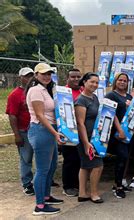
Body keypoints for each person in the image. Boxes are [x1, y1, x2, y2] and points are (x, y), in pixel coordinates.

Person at [26, 63, 65, 215]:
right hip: (42, 130)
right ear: (36, 75)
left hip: (50, 131)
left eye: (49, 73)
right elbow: (40, 116)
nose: (47, 76)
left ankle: (46, 196)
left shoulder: (47, 89)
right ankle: (40, 206)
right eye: (43, 74)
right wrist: (55, 134)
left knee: (52, 166)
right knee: (42, 169)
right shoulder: (35, 90)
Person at [75, 72, 104, 204]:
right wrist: (86, 143)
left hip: (94, 138)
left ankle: (82, 193)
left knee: (85, 166)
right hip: (86, 139)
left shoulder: (94, 98)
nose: (94, 84)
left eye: (97, 82)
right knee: (97, 166)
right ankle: (94, 193)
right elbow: (80, 123)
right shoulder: (81, 100)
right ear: (85, 82)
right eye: (92, 81)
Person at [6, 67, 35, 196]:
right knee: (26, 158)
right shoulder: (15, 95)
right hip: (24, 131)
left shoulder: (35, 92)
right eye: (27, 76)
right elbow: (12, 115)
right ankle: (27, 183)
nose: (29, 79)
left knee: (40, 157)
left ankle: (45, 180)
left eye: (31, 76)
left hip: (37, 129)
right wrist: (17, 135)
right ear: (20, 78)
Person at [105, 73, 133, 199]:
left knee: (124, 159)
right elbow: (111, 113)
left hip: (127, 132)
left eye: (125, 81)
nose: (122, 82)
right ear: (115, 81)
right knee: (122, 157)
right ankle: (117, 187)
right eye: (120, 80)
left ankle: (120, 182)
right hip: (116, 133)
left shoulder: (129, 96)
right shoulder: (111, 95)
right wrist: (119, 130)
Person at [61, 68, 83, 197]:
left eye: (78, 77)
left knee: (79, 159)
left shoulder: (82, 91)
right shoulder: (63, 92)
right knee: (69, 159)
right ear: (68, 78)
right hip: (68, 131)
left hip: (81, 131)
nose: (76, 79)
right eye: (73, 77)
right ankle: (68, 186)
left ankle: (77, 184)